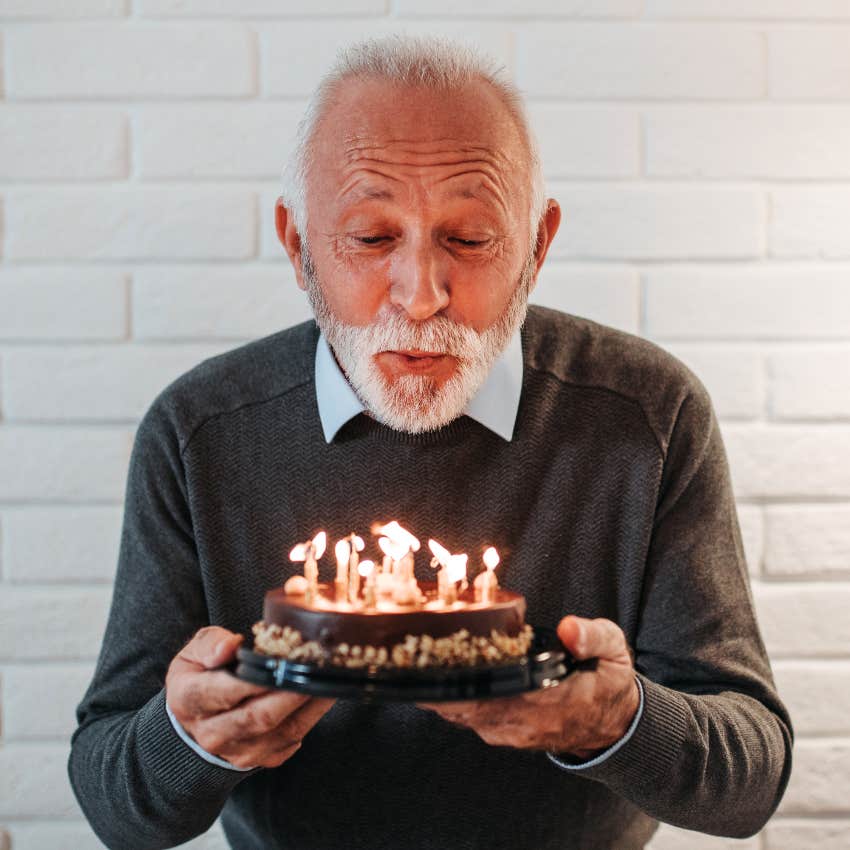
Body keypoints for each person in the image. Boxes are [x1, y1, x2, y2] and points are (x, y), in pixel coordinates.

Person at [69, 35, 793, 850]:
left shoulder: (647, 416)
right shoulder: (200, 432)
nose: (420, 296)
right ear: (298, 244)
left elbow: (751, 784)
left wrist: (617, 720)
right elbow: (113, 801)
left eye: (471, 239)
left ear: (537, 245)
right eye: (372, 239)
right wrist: (191, 739)